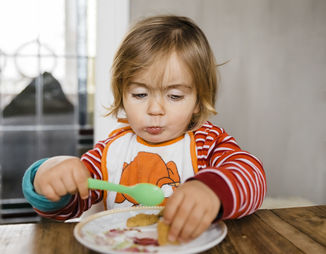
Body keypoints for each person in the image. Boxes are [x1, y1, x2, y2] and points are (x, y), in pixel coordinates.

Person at [22, 15, 266, 243]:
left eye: (174, 95)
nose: (155, 109)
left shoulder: (208, 142)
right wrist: (47, 178)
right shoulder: (109, 152)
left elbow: (252, 176)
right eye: (140, 94)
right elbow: (69, 206)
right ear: (122, 95)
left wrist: (212, 190)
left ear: (198, 102)